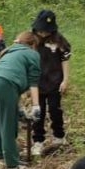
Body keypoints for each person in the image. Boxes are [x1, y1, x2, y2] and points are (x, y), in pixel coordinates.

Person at [0, 30, 42, 169]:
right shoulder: (33, 54)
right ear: (32, 44)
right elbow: (33, 82)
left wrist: (19, 108)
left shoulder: (8, 52)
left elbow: (12, 82)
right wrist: (35, 106)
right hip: (4, 85)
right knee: (8, 127)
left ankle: (2, 159)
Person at [31, 8, 72, 158]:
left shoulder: (59, 41)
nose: (42, 34)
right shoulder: (32, 41)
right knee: (38, 112)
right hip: (37, 84)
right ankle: (38, 140)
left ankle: (59, 137)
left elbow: (65, 59)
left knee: (55, 110)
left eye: (46, 31)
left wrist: (65, 80)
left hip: (55, 82)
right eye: (40, 31)